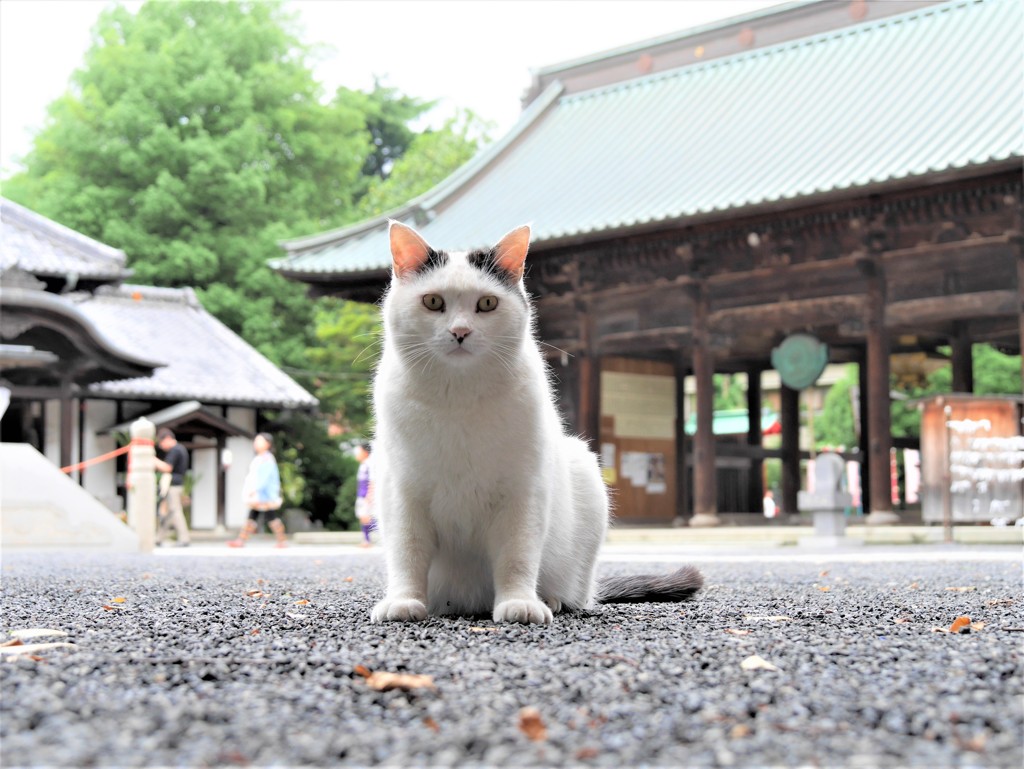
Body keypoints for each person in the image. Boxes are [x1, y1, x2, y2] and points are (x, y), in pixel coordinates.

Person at [228, 432, 285, 548]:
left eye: (260, 441)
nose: (256, 443)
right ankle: (241, 540)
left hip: (265, 494)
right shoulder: (261, 458)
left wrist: (254, 489)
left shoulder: (266, 459)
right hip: (261, 493)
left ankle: (281, 540)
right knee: (255, 515)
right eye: (256, 441)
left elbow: (264, 478)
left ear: (268, 444)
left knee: (269, 516)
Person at [154, 428, 191, 547]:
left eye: (161, 442)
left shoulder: (175, 450)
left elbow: (167, 468)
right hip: (177, 484)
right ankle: (158, 538)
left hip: (173, 485)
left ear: (168, 438)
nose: (161, 446)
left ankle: (184, 538)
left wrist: (152, 459)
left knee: (175, 511)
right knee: (169, 513)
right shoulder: (181, 448)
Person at [355, 442, 376, 547]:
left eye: (359, 451)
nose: (357, 454)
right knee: (363, 517)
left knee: (367, 518)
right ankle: (366, 540)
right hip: (361, 495)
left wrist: (370, 495)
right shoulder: (363, 465)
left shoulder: (369, 464)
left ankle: (368, 540)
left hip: (366, 496)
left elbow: (372, 480)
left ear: (365, 452)